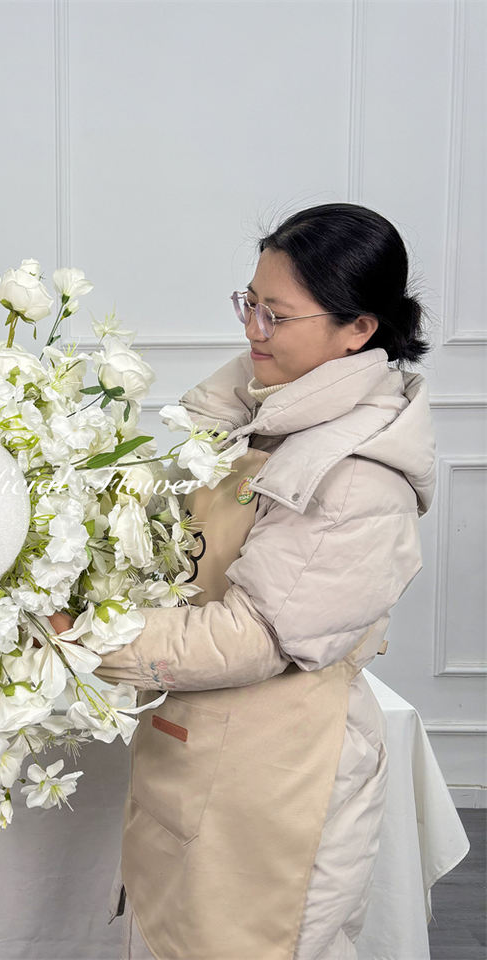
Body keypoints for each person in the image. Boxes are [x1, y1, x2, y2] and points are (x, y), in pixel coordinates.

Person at [49, 202, 435, 960]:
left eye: (276, 315)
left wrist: (86, 635)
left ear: (358, 329)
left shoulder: (359, 480)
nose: (253, 329)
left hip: (278, 777)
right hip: (203, 748)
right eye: (249, 303)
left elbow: (254, 635)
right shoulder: (255, 418)